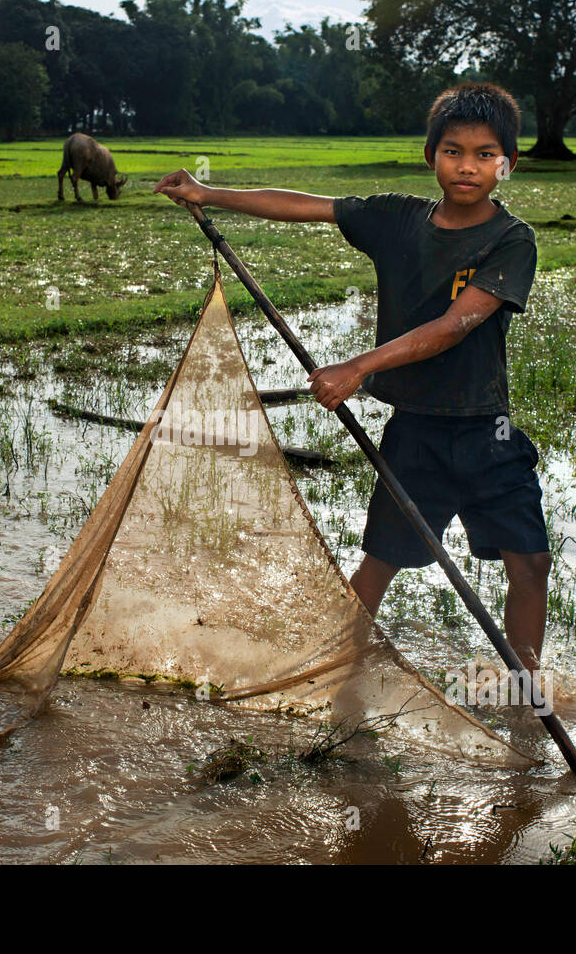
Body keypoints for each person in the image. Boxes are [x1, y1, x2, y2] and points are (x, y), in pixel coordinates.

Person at [153, 82, 550, 673]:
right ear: (430, 156)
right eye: (453, 151)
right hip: (414, 432)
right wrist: (208, 194)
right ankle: (337, 668)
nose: (467, 166)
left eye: (485, 154)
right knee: (380, 562)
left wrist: (357, 368)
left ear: (508, 165)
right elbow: (305, 204)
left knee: (530, 564)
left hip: (486, 431)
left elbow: (453, 326)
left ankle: (527, 683)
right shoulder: (396, 219)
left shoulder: (511, 240)